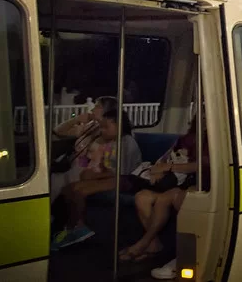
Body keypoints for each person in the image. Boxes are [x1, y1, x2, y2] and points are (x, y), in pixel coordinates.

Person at [119, 118, 210, 280]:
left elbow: (202, 165)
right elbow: (166, 157)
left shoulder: (212, 141)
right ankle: (153, 244)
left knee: (165, 199)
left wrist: (170, 167)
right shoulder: (185, 139)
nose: (203, 120)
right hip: (173, 182)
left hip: (191, 183)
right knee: (142, 197)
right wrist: (158, 168)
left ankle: (145, 243)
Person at [51, 105, 142, 250]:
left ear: (119, 126)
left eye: (106, 127)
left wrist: (96, 176)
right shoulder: (105, 143)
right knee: (70, 188)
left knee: (80, 191)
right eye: (101, 127)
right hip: (110, 176)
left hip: (126, 179)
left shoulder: (127, 143)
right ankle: (70, 226)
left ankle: (78, 227)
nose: (102, 131)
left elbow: (123, 171)